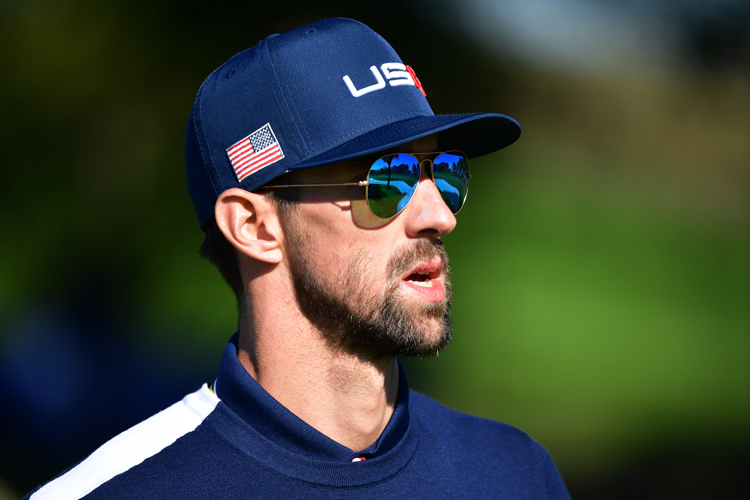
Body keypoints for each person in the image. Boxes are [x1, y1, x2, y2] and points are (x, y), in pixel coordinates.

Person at [26, 18, 570, 499]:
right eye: (389, 177)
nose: (439, 216)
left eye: (445, 172)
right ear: (254, 226)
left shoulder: (514, 473)